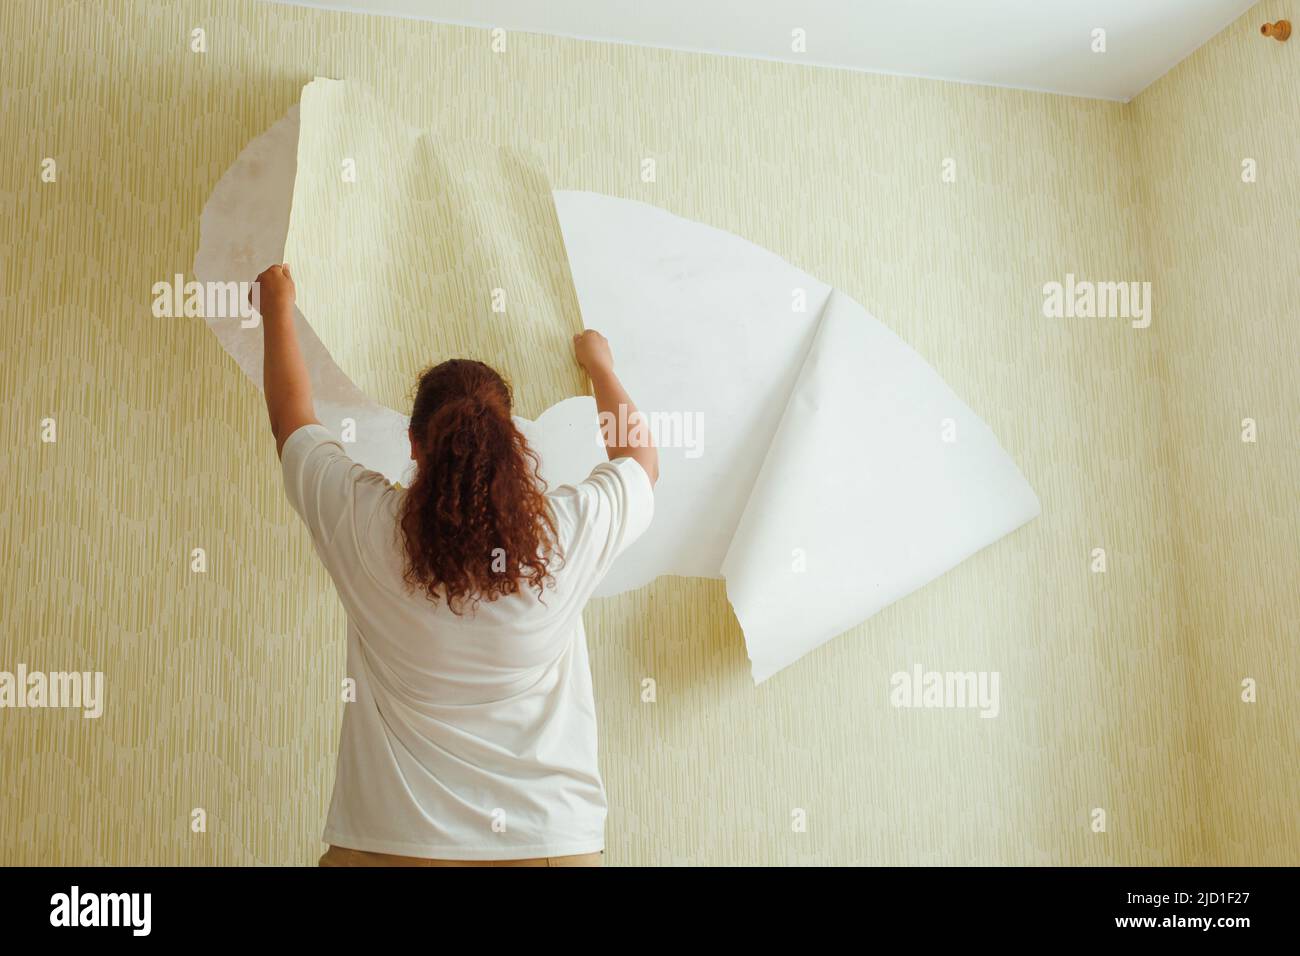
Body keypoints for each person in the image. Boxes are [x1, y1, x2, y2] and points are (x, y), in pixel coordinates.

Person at [252, 263, 657, 866]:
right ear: (513, 441)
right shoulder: (563, 538)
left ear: (414, 442)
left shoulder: (365, 525)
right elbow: (640, 462)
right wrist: (600, 365)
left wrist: (277, 307)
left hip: (387, 846)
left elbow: (293, 424)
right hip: (545, 844)